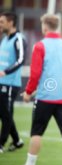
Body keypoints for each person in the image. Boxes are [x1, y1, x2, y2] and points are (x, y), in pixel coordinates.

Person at [22, 14, 62, 165]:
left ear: (45, 26)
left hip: (44, 98)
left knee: (36, 132)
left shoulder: (40, 46)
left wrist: (28, 92)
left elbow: (35, 74)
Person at [0, 11, 26, 153]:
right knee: (5, 113)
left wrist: (6, 72)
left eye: (2, 21)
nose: (0, 24)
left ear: (10, 22)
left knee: (6, 114)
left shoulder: (19, 39)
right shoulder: (4, 39)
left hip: (10, 84)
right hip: (1, 82)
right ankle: (17, 141)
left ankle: (1, 143)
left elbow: (21, 59)